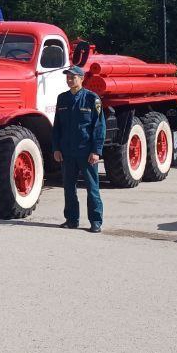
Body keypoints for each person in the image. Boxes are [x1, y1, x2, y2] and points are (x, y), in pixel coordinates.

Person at [52, 65, 106, 232]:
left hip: (86, 152)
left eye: (73, 77)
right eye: (67, 77)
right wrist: (56, 148)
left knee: (92, 188)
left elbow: (99, 126)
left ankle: (95, 221)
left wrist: (96, 151)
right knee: (69, 188)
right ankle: (71, 219)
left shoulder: (92, 98)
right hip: (67, 152)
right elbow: (57, 126)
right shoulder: (62, 99)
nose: (69, 80)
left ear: (81, 79)